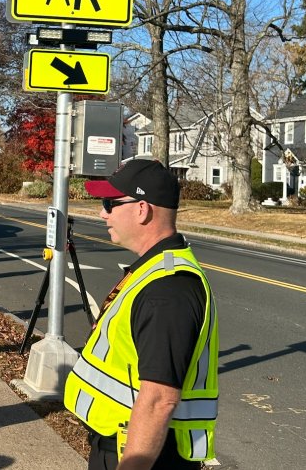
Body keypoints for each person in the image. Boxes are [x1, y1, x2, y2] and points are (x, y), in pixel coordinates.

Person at [67, 159, 219, 470]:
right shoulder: (153, 270)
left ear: (142, 209)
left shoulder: (168, 289)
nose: (102, 213)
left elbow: (159, 400)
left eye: (110, 203)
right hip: (122, 444)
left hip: (140, 456)